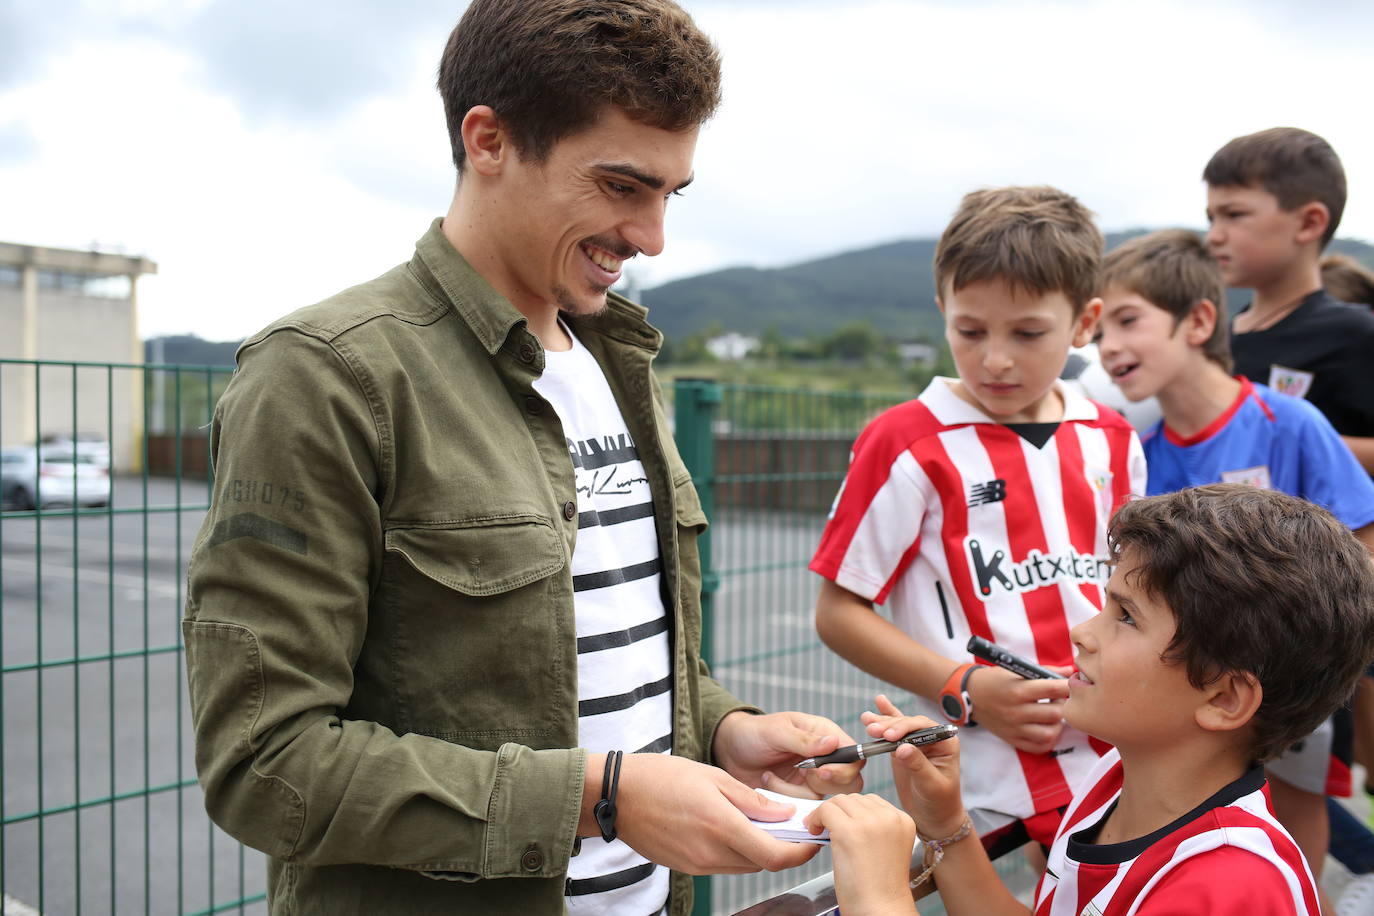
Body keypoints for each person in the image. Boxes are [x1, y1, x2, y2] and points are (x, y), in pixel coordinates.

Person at [181, 2, 862, 913]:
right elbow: (265, 764)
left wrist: (725, 730)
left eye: (671, 192)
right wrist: (604, 797)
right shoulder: (326, 378)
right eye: (623, 185)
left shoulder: (619, 367)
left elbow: (604, 662)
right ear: (489, 140)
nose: (653, 236)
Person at [807, 484, 1374, 915]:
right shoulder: (1111, 785)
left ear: (1224, 698)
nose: (1082, 632)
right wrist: (944, 823)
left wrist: (878, 896)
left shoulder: (1226, 887)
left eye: (1126, 616)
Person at [810, 186, 1146, 856]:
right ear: (942, 312)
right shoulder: (906, 440)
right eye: (970, 331)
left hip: (1118, 750)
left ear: (1085, 323)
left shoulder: (1113, 438)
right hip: (984, 772)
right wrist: (966, 685)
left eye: (1027, 333)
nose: (995, 358)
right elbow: (837, 611)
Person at [1093, 228, 1374, 905]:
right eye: (1099, 329)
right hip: (1184, 694)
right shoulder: (1135, 452)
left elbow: (1363, 549)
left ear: (1199, 320)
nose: (1108, 348)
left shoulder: (1290, 422)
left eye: (1127, 320)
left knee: (1296, 814)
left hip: (1286, 685)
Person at [1204, 127, 1374, 474]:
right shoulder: (1214, 339)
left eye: (1234, 214)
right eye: (1212, 218)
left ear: (1309, 223)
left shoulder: (1356, 333)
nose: (1214, 236)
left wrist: (1295, 439)